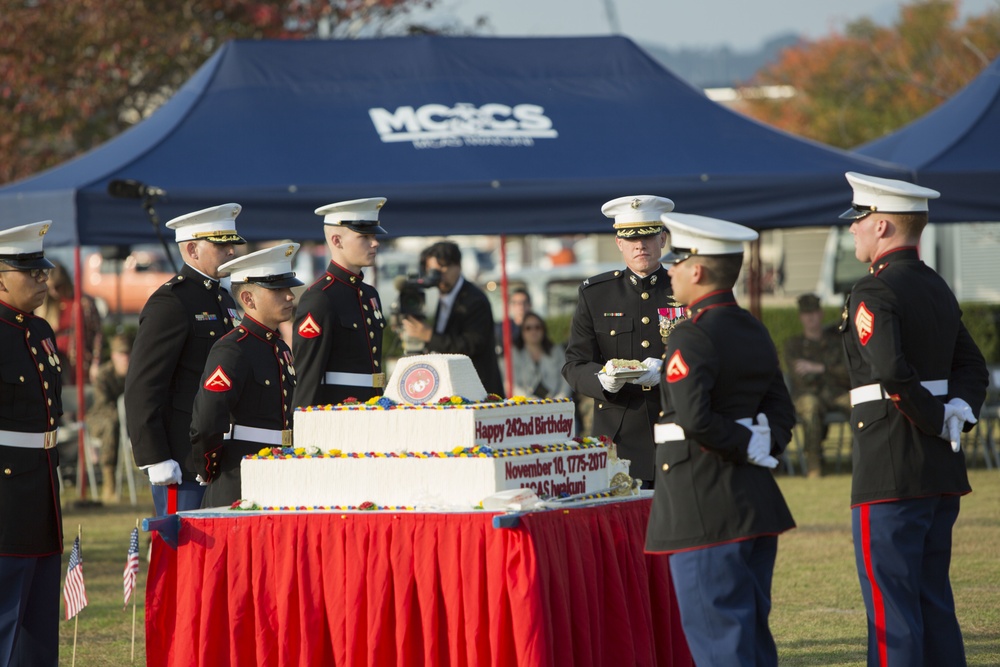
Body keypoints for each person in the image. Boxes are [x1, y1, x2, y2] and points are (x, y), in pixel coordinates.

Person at [838, 172, 987, 666]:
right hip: (938, 468)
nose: (853, 230)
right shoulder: (935, 285)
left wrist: (931, 418)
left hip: (890, 468)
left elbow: (892, 373)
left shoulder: (874, 290)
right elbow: (971, 366)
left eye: (859, 220)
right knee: (932, 602)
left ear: (881, 226)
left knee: (893, 615)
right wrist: (956, 413)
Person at [645, 212, 796, 667]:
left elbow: (693, 416)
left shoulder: (692, 335)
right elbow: (782, 412)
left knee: (718, 644)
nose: (667, 269)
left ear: (697, 269)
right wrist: (758, 444)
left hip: (703, 506)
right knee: (749, 639)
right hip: (753, 503)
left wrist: (740, 441)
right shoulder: (753, 328)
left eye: (674, 260)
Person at [125, 203, 245, 517]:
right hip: (182, 460)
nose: (231, 252)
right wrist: (154, 456)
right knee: (183, 556)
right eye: (221, 246)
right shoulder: (171, 301)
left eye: (231, 244)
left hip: (218, 453)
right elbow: (143, 385)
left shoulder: (223, 298)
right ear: (192, 249)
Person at [562, 195, 683, 487]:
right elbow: (574, 364)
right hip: (620, 435)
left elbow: (709, 355)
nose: (640, 245)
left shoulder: (684, 286)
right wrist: (601, 380)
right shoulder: (596, 294)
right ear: (619, 243)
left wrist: (667, 371)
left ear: (663, 239)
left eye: (649, 236)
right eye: (630, 239)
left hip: (676, 425)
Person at [191, 243, 302, 508]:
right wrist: (211, 468)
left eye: (288, 288)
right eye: (277, 290)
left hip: (279, 471)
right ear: (248, 299)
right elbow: (207, 420)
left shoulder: (278, 346)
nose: (290, 296)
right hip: (241, 476)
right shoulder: (233, 348)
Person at [0, 220, 62, 667]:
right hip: (4, 489)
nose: (43, 279)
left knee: (38, 619)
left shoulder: (40, 331)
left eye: (43, 270)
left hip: (41, 483)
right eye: (30, 272)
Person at [292, 198, 388, 409]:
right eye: (364, 237)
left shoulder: (369, 294)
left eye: (374, 235)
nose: (375, 243)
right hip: (338, 414)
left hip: (373, 408)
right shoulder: (321, 298)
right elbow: (308, 373)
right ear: (337, 241)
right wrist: (304, 427)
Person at [401, 241, 505, 396]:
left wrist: (429, 336)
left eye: (444, 267)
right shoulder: (444, 297)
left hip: (478, 391)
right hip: (453, 390)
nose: (438, 275)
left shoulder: (474, 300)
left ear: (458, 266)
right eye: (432, 270)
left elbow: (471, 346)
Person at [784, 292, 851, 477]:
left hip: (835, 393)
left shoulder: (835, 342)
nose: (811, 317)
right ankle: (813, 463)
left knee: (859, 403)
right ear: (801, 317)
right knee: (810, 405)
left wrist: (818, 368)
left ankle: (862, 454)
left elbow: (847, 373)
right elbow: (801, 379)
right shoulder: (794, 345)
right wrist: (830, 371)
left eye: (814, 312)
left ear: (821, 314)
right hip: (808, 395)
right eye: (806, 314)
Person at [38, 260, 102, 386]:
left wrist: (96, 362)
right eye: (49, 288)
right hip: (55, 361)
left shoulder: (83, 303)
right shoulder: (46, 305)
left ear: (65, 282)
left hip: (80, 360)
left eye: (57, 286)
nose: (53, 292)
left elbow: (97, 334)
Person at [88, 332, 132, 503]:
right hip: (101, 418)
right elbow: (103, 405)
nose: (125, 358)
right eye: (121, 354)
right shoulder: (104, 375)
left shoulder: (135, 373)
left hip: (126, 421)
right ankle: (109, 483)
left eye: (128, 353)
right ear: (113, 356)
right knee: (111, 424)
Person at [506, 311, 571, 400]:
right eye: (528, 328)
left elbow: (566, 379)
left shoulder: (556, 351)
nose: (533, 331)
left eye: (537, 327)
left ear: (543, 329)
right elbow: (511, 385)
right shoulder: (514, 354)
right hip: (525, 406)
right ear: (522, 331)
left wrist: (559, 399)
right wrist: (531, 401)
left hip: (556, 404)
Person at [495, 287, 531, 355]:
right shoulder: (501, 328)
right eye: (516, 303)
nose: (521, 306)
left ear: (530, 305)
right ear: (511, 306)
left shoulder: (536, 327)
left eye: (524, 302)